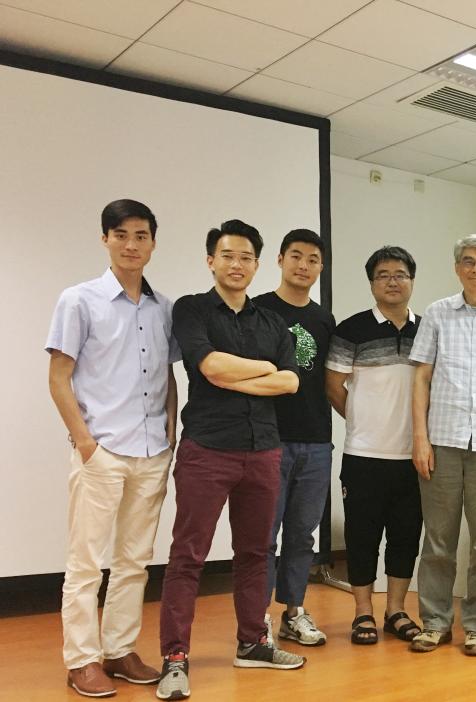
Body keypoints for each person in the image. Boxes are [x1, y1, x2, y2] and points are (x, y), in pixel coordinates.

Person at [157, 220, 305, 701]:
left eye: (246, 257)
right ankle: (175, 657)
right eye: (227, 255)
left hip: (263, 450)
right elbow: (210, 366)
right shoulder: (192, 309)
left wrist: (240, 374)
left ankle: (252, 642)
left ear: (257, 265)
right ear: (210, 261)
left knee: (256, 552)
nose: (237, 264)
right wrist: (264, 369)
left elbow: (291, 382)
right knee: (188, 556)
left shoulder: (272, 322)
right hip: (207, 449)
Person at [46, 199, 178, 698]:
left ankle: (119, 650)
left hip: (152, 451)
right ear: (105, 239)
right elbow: (58, 377)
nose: (131, 244)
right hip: (101, 451)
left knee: (134, 562)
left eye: (141, 235)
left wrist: (170, 431)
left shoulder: (164, 308)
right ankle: (81, 660)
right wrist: (86, 444)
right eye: (121, 234)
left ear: (153, 243)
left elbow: (166, 375)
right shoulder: (79, 300)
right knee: (85, 563)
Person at [408, 234, 476, 656]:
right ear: (456, 268)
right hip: (442, 441)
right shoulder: (437, 313)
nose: (475, 268)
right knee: (438, 540)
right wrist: (419, 439)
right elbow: (421, 378)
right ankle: (435, 622)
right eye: (468, 261)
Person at [326, 246, 422, 645]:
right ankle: (362, 611)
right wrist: (362, 420)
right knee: (362, 537)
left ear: (411, 281)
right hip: (363, 454)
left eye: (400, 274)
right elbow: (334, 386)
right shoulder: (351, 329)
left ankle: (395, 610)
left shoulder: (427, 330)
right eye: (383, 275)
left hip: (414, 455)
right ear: (372, 283)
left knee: (405, 536)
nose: (392, 281)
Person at [254, 229, 335, 647]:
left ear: (321, 267)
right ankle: (257, 619)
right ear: (280, 259)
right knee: (263, 535)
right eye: (296, 256)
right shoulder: (258, 310)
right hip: (270, 440)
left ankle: (294, 612)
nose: (304, 265)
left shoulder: (324, 319)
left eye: (313, 259)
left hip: (317, 441)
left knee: (303, 534)